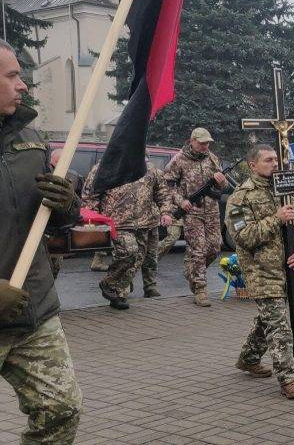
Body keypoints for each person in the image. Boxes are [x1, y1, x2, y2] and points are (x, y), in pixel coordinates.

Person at [0, 40, 83, 444]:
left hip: (33, 312)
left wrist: (67, 203)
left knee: (61, 411)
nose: (23, 86)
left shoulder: (30, 142)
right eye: (12, 75)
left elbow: (52, 221)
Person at [225, 144, 294, 399]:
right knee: (280, 326)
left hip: (289, 270)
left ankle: (249, 357)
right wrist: (276, 218)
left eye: (276, 159)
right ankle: (289, 379)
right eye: (268, 160)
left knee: (269, 319)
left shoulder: (289, 192)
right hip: (261, 271)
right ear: (252, 165)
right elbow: (243, 236)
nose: (274, 164)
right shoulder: (241, 197)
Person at [82, 162, 174, 308]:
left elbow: (163, 192)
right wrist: (93, 217)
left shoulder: (149, 168)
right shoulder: (106, 165)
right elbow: (90, 194)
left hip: (143, 223)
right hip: (116, 222)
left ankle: (116, 293)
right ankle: (111, 286)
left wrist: (166, 212)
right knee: (129, 252)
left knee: (137, 259)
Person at [163, 128, 228, 307]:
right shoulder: (178, 160)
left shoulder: (212, 158)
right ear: (191, 140)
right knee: (197, 250)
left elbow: (223, 184)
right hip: (192, 212)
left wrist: (222, 181)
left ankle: (191, 271)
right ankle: (200, 289)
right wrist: (180, 200)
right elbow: (166, 185)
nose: (205, 146)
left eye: (207, 143)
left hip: (212, 211)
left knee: (215, 247)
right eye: (201, 143)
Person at [46, 149, 82, 279]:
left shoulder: (74, 178)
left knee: (54, 268)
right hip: (45, 228)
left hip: (59, 229)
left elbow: (78, 202)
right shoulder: (45, 174)